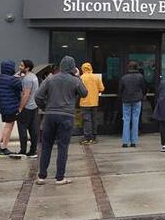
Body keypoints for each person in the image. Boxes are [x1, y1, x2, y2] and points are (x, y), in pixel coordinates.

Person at [34, 55, 87, 185]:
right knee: (63, 147)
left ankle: (41, 176)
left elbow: (38, 96)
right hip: (66, 116)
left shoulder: (50, 79)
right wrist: (78, 76)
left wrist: (45, 107)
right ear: (73, 67)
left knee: (46, 146)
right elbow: (84, 93)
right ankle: (59, 177)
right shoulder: (74, 80)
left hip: (50, 115)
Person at [0, 60, 23, 157]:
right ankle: (4, 148)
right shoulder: (13, 80)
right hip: (12, 106)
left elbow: (9, 82)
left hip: (3, 106)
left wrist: (15, 77)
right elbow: (21, 87)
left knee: (7, 125)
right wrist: (20, 78)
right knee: (9, 126)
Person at [119, 61, 146, 148]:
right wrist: (143, 95)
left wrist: (121, 97)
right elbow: (144, 88)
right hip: (137, 100)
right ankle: (134, 141)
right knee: (135, 119)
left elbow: (120, 89)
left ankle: (125, 142)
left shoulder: (124, 78)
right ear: (136, 67)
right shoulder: (140, 77)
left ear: (129, 68)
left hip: (126, 100)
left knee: (126, 120)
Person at [17, 59, 40, 158]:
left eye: (22, 66)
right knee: (33, 129)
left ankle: (23, 150)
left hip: (26, 107)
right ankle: (33, 151)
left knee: (22, 129)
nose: (19, 67)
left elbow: (26, 95)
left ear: (27, 68)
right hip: (34, 106)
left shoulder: (27, 79)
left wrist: (20, 107)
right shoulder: (34, 77)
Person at [79, 62, 104, 144]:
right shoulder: (96, 77)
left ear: (83, 69)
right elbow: (102, 88)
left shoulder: (81, 78)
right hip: (94, 102)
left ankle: (87, 137)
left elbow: (78, 89)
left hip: (84, 102)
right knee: (94, 119)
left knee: (86, 120)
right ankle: (94, 137)